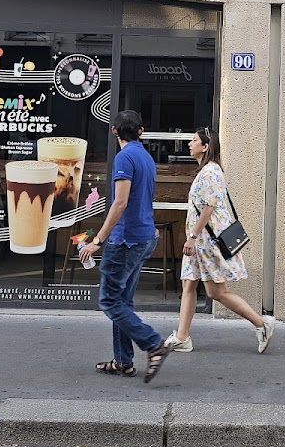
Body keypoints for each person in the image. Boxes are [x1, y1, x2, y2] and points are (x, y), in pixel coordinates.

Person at [78, 110, 173, 383]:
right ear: (141, 131)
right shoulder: (146, 158)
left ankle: (154, 344)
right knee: (122, 302)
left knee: (109, 301)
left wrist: (97, 240)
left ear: (114, 131)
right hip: (144, 238)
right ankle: (123, 362)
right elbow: (145, 198)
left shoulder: (124, 157)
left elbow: (120, 203)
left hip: (125, 240)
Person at [165, 126, 274, 354]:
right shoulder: (205, 171)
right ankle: (182, 337)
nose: (189, 144)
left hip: (205, 242)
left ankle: (262, 324)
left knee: (216, 292)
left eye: (194, 140)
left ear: (205, 147)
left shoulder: (211, 172)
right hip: (198, 242)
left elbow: (209, 207)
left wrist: (193, 237)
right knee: (189, 284)